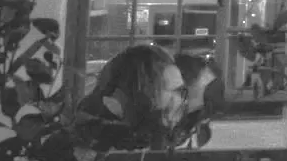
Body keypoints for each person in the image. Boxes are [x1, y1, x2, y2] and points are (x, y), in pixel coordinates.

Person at [78, 42, 214, 149]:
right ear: (142, 88)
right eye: (175, 91)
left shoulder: (147, 132)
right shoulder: (92, 134)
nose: (182, 101)